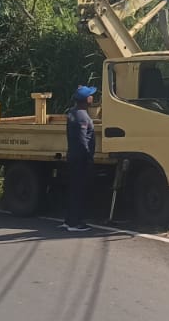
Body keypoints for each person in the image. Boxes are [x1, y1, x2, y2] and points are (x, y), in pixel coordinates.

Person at [61, 86, 98, 232]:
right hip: (80, 159)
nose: (92, 97)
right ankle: (76, 223)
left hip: (73, 156)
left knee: (73, 190)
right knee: (79, 191)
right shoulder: (82, 116)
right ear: (86, 99)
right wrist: (88, 157)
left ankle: (69, 220)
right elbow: (82, 141)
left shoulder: (72, 112)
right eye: (90, 95)